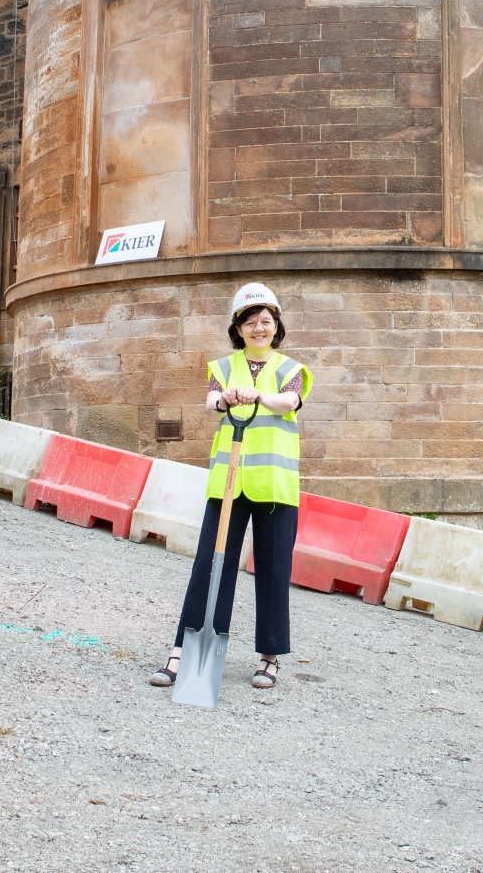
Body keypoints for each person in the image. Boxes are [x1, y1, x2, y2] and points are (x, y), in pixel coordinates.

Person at [149, 283, 313, 691]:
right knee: (209, 563)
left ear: (276, 326)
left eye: (266, 321)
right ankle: (182, 652)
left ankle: (270, 657)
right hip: (229, 481)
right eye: (250, 322)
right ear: (238, 328)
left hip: (274, 485)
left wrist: (258, 394)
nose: (259, 328)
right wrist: (224, 400)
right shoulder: (222, 368)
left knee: (274, 570)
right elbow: (210, 403)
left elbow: (289, 403)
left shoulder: (290, 370)